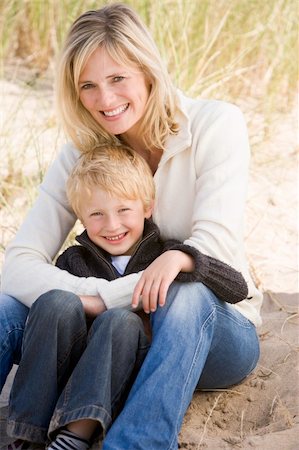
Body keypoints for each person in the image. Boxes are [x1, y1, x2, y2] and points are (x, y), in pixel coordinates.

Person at [0, 3, 262, 449]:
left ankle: (135, 444)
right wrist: (99, 301)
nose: (105, 100)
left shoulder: (215, 124)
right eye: (88, 86)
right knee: (7, 306)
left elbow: (212, 249)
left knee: (186, 291)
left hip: (209, 333)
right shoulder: (81, 155)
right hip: (108, 339)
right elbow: (18, 264)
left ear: (147, 71)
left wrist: (110, 299)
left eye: (117, 78)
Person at [7, 145, 248, 449]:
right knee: (54, 300)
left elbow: (237, 287)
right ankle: (29, 434)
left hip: (135, 357)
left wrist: (184, 258)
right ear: (80, 216)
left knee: (120, 320)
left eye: (123, 210)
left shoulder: (163, 253)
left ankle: (75, 436)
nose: (112, 225)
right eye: (96, 214)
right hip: (88, 363)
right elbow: (61, 326)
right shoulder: (73, 261)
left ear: (147, 207)